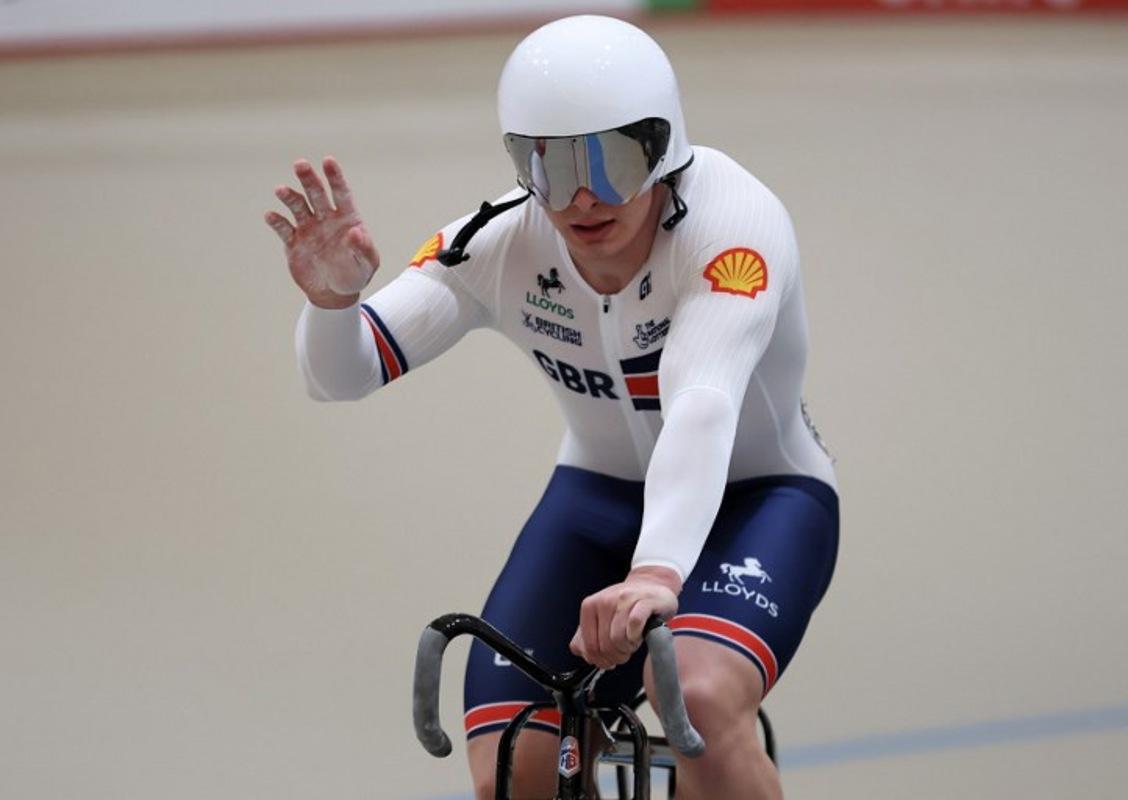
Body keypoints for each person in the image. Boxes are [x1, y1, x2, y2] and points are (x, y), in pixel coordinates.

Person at [265, 15, 838, 800]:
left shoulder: (732, 226)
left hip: (759, 496)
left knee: (697, 702)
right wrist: (331, 303)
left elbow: (701, 407)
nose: (578, 196)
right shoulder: (501, 240)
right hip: (596, 497)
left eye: (610, 162)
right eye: (549, 162)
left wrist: (655, 574)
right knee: (513, 761)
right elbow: (346, 374)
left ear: (663, 147)